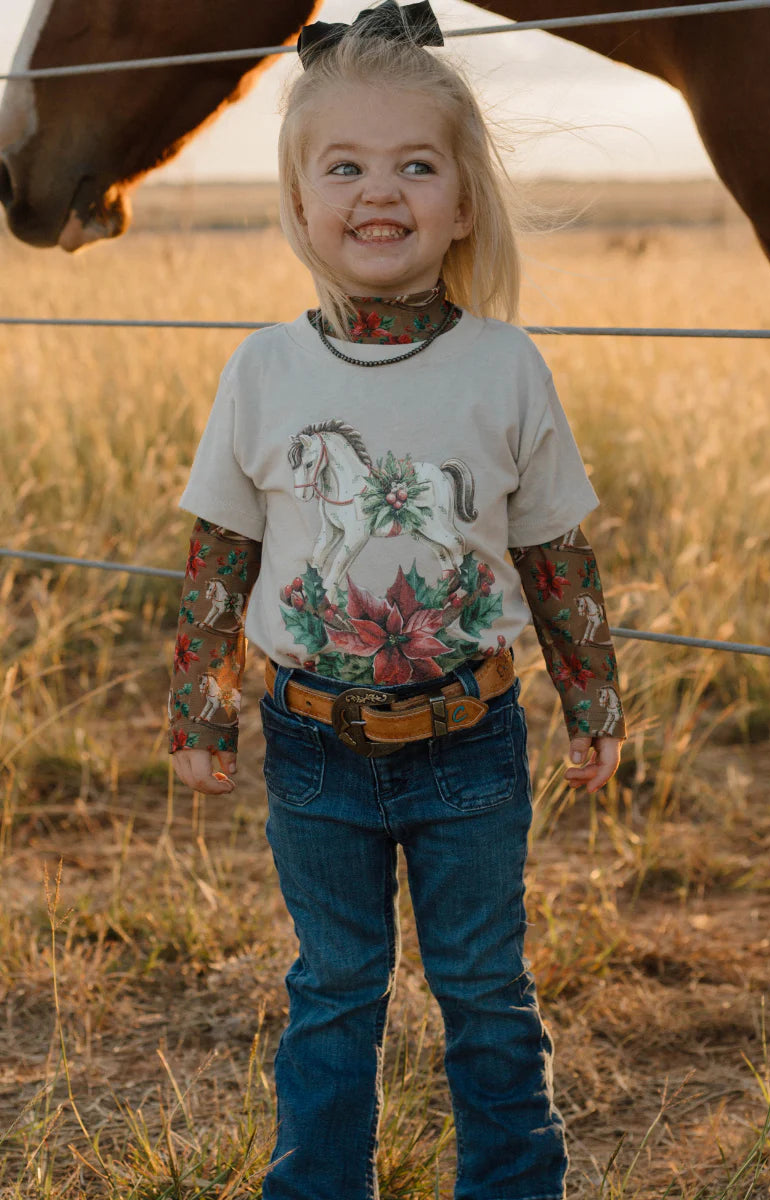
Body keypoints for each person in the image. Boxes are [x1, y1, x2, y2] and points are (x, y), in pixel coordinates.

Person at [168, 3, 626, 1197]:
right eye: (346, 167)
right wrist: (201, 710)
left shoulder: (504, 366)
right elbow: (221, 552)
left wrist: (592, 700)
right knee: (332, 989)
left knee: (484, 988)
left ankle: (512, 1186)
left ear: (462, 203)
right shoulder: (263, 369)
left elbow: (554, 553)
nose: (380, 191)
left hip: (471, 743)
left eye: (416, 166)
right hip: (311, 747)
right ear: (298, 199)